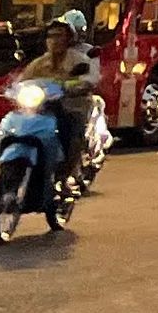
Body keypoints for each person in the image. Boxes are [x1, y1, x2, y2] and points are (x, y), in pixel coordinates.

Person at [27, 18, 98, 215]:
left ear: (69, 39)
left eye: (60, 36)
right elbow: (23, 80)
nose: (55, 40)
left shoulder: (78, 60)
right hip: (43, 110)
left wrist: (74, 86)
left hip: (71, 107)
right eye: (51, 36)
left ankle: (64, 177)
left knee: (72, 136)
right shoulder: (39, 63)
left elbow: (90, 78)